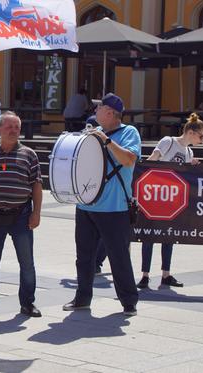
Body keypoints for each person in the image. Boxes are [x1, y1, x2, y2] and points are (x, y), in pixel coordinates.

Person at [62, 93, 141, 317]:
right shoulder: (91, 133)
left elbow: (128, 160)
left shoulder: (128, 133)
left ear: (109, 112)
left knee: (119, 257)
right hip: (86, 205)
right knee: (84, 257)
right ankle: (82, 298)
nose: (94, 112)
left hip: (114, 208)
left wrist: (105, 140)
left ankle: (129, 302)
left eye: (98, 109)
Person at [0, 111, 43, 318]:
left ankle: (28, 303)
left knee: (26, 262)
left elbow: (37, 186)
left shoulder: (29, 154)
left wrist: (36, 213)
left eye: (16, 127)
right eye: (9, 127)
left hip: (21, 213)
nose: (13, 131)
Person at [137, 113, 203, 289]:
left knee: (169, 236)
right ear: (191, 132)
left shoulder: (188, 151)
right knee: (149, 236)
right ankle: (145, 275)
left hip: (172, 200)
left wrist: (191, 166)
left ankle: (165, 274)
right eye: (201, 136)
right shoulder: (168, 141)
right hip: (154, 197)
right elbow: (151, 162)